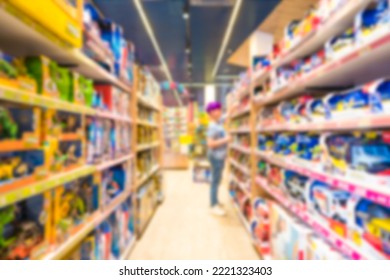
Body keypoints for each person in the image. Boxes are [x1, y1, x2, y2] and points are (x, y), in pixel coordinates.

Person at [206, 101, 230, 216]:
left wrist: (232, 109)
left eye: (220, 109)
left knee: (217, 179)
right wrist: (226, 140)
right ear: (211, 112)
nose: (220, 111)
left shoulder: (217, 123)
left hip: (218, 156)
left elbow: (225, 117)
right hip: (216, 156)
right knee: (215, 181)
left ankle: (215, 201)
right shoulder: (213, 126)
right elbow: (210, 143)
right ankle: (213, 206)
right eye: (217, 110)